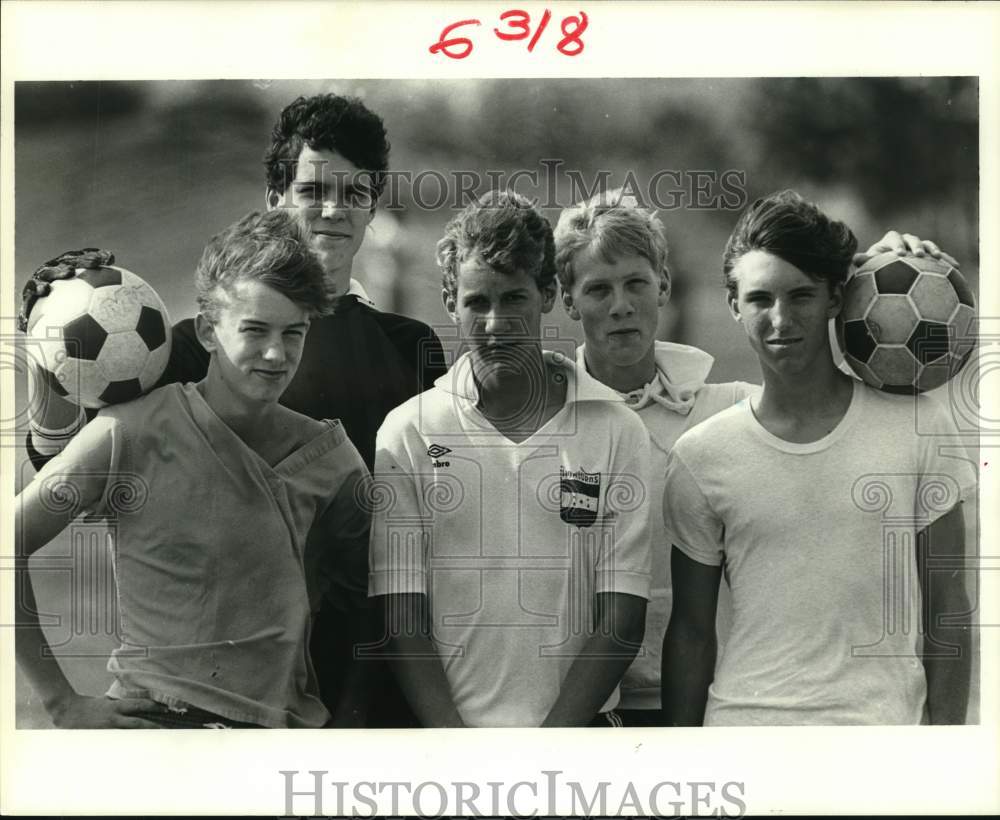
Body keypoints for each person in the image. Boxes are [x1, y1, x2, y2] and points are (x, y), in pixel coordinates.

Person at [17, 93, 447, 725]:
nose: (332, 210)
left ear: (372, 207)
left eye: (354, 194)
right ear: (275, 199)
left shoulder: (409, 348)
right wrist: (49, 351)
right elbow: (61, 457)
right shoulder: (192, 347)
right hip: (195, 693)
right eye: (312, 189)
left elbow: (408, 551)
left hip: (355, 693)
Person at [15, 209, 371, 728]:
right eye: (254, 330)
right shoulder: (128, 433)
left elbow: (379, 600)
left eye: (293, 333)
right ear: (207, 330)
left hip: (280, 743)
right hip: (156, 735)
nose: (276, 354)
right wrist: (62, 703)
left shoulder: (332, 460)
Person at [660, 190, 976, 725]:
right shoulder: (701, 455)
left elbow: (947, 610)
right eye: (760, 299)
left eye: (801, 296)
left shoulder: (916, 426)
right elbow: (691, 634)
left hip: (878, 744)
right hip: (745, 737)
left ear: (835, 299)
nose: (781, 318)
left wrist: (942, 753)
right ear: (735, 306)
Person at [368, 190, 653, 727]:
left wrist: (547, 750)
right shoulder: (408, 432)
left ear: (547, 294)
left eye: (514, 298)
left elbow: (620, 619)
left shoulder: (616, 429)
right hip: (455, 751)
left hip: (578, 745)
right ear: (450, 301)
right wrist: (459, 752)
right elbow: (402, 617)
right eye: (477, 302)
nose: (496, 322)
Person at [553, 191, 756, 726]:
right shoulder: (547, 419)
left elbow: (827, 395)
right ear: (568, 300)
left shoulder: (730, 408)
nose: (620, 305)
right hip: (585, 706)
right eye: (597, 289)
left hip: (709, 696)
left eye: (636, 283)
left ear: (664, 284)